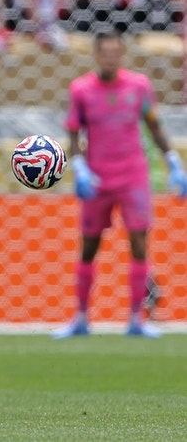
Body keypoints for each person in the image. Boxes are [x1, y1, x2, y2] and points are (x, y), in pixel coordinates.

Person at [54, 31, 187, 340]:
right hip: (97, 178)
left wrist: (173, 162)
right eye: (105, 52)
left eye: (116, 52)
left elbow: (154, 126)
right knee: (89, 246)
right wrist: (79, 167)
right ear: (97, 55)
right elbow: (74, 134)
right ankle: (81, 318)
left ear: (122, 54)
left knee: (139, 244)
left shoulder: (139, 86)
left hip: (132, 176)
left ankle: (135, 319)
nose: (110, 58)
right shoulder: (81, 90)